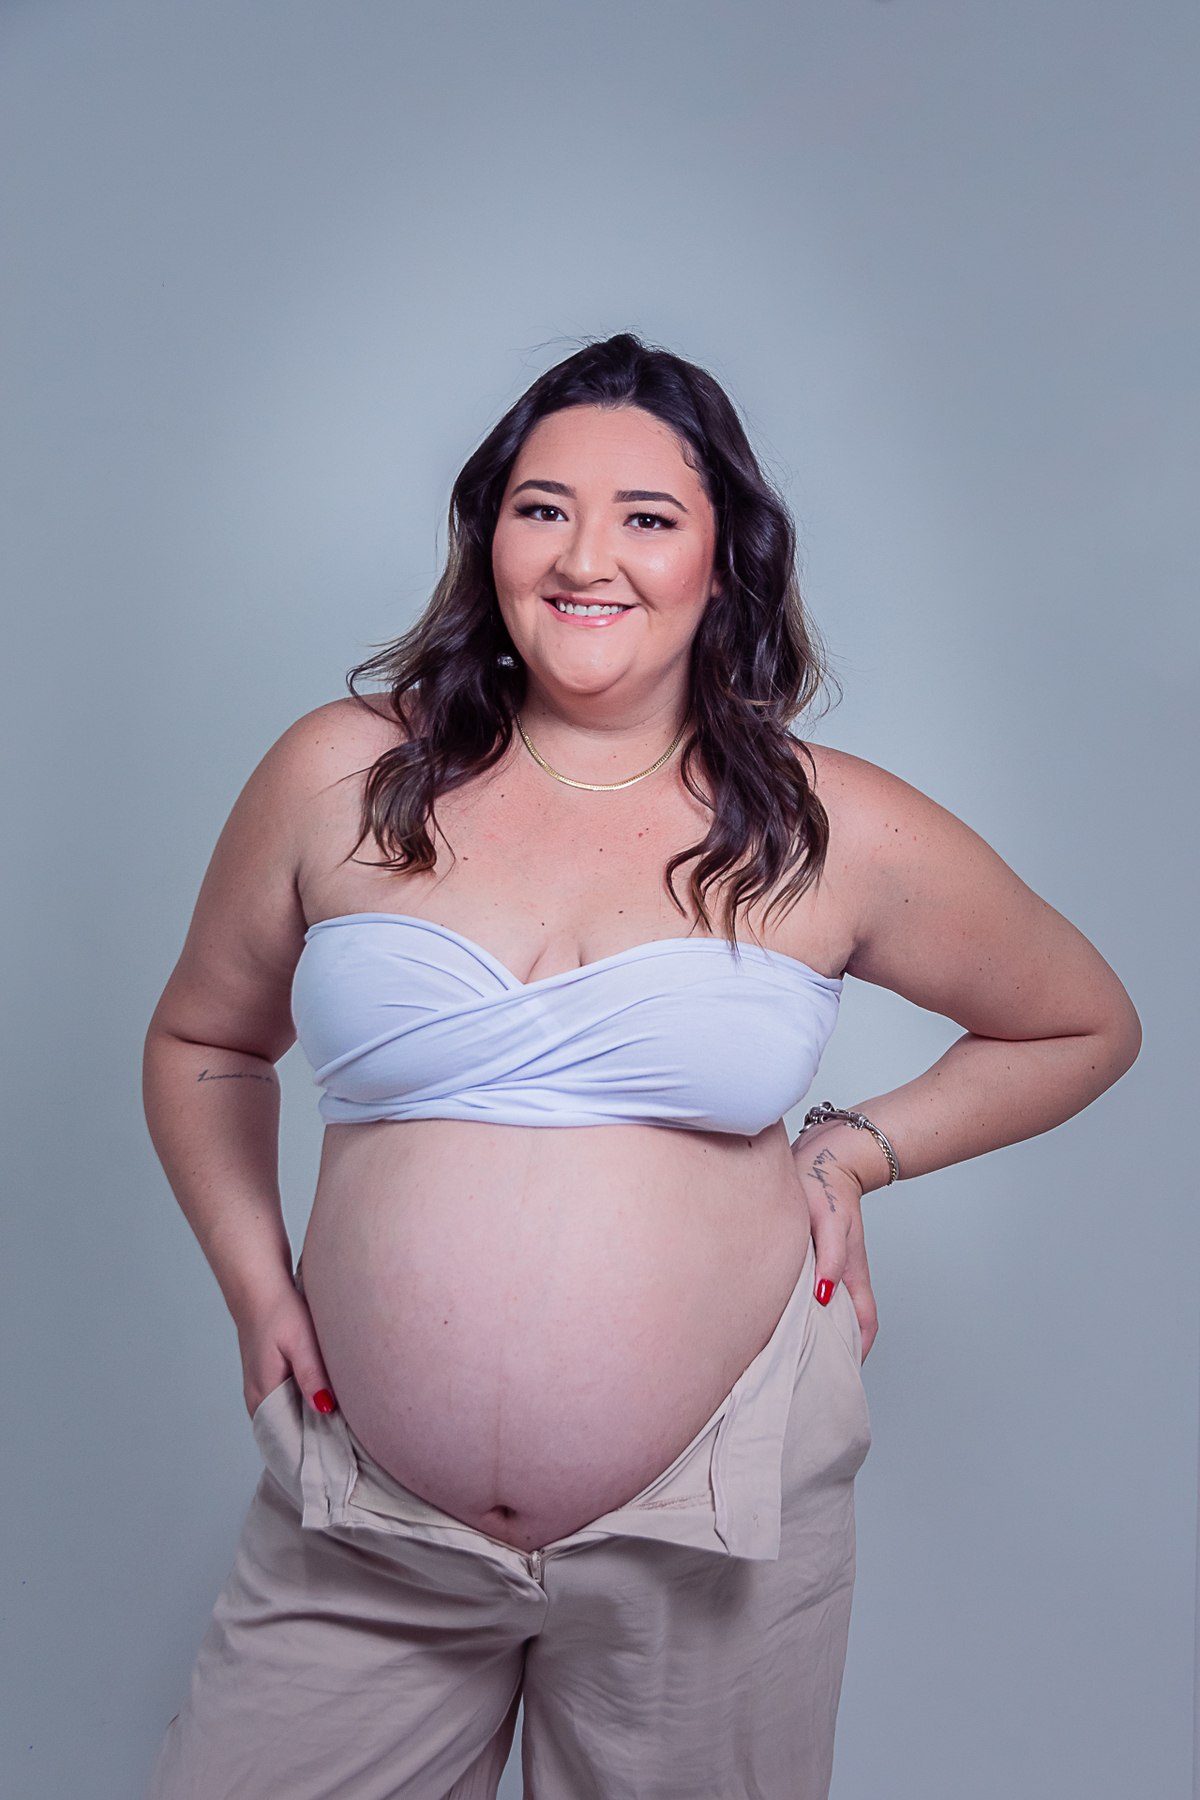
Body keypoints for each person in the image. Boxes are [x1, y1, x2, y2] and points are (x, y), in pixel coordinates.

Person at [143, 334, 1140, 1800]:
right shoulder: (337, 774)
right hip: (365, 1523)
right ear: (488, 536)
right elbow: (207, 1041)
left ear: (724, 561)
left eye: (648, 517)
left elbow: (1080, 1020)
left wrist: (853, 1150)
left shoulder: (824, 825)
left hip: (716, 1533)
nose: (584, 557)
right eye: (542, 508)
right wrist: (255, 1285)